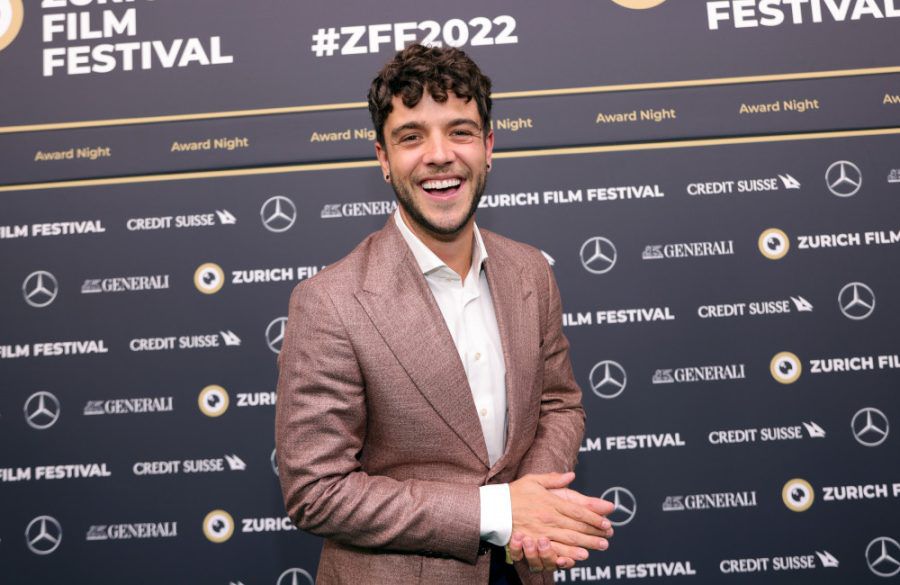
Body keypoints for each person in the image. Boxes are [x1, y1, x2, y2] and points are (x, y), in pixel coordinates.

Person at [275, 44, 614, 585]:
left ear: (488, 147)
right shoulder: (330, 302)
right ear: (384, 160)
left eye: (459, 131)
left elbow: (559, 404)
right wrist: (500, 513)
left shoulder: (530, 271)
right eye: (411, 137)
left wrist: (533, 518)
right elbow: (317, 492)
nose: (439, 155)